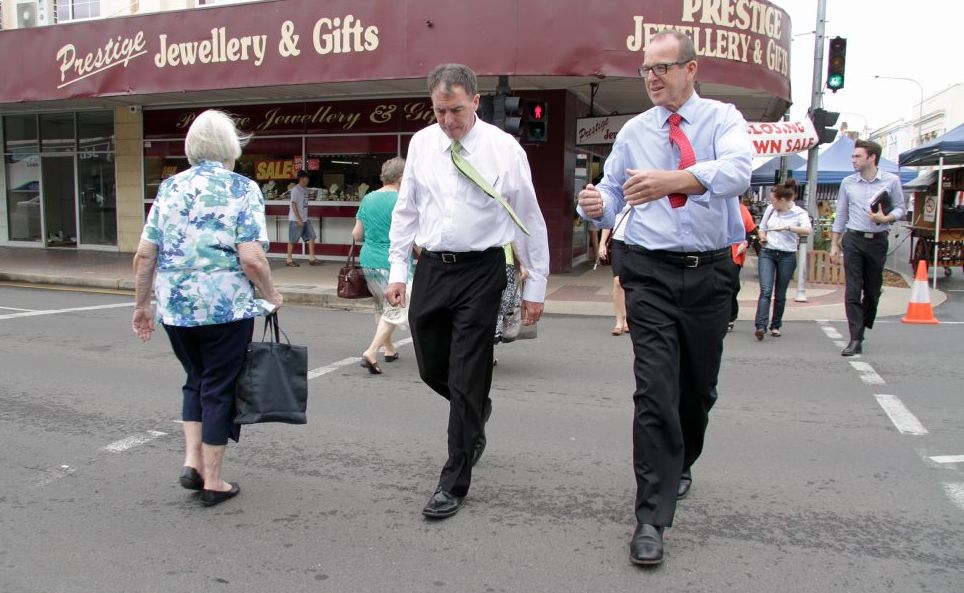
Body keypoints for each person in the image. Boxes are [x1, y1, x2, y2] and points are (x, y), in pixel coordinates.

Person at [577, 30, 751, 565]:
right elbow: (613, 193)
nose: (651, 78)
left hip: (710, 273)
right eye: (645, 69)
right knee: (655, 392)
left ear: (690, 69)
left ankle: (682, 460)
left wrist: (675, 180)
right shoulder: (634, 131)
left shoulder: (722, 119)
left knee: (697, 391)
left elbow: (738, 172)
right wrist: (594, 204)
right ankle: (650, 517)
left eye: (662, 67)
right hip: (648, 271)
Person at [386, 63, 550, 520]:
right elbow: (407, 209)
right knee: (430, 366)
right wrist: (397, 270)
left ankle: (454, 479)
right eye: (439, 111)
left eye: (456, 110)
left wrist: (536, 284)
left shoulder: (504, 149)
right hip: (433, 268)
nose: (447, 120)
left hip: (481, 271)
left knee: (465, 375)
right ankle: (475, 406)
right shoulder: (422, 144)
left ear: (476, 102)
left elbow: (528, 217)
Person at [131, 109, 283, 507]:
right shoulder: (242, 189)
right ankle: (213, 480)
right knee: (219, 385)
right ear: (231, 146)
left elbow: (145, 255)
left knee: (195, 378)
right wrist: (270, 294)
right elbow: (251, 258)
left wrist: (142, 305)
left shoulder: (169, 188)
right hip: (225, 308)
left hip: (176, 308)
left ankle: (192, 461)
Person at [829, 139, 905, 356]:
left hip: (877, 240)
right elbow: (841, 214)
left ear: (872, 158)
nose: (853, 160)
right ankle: (855, 338)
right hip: (853, 238)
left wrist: (886, 218)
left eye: (857, 156)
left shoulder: (891, 181)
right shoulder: (848, 183)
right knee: (853, 290)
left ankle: (863, 326)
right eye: (853, 156)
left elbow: (900, 208)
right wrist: (834, 243)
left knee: (872, 291)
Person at [352, 156, 407, 374]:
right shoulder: (401, 200)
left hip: (368, 259)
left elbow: (357, 234)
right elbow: (410, 236)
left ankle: (389, 349)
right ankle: (372, 351)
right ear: (401, 178)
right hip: (392, 263)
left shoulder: (368, 198)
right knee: (397, 307)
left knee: (382, 306)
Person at [753, 179, 810, 340]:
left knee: (780, 292)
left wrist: (788, 228)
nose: (771, 203)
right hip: (768, 252)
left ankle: (776, 324)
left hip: (787, 254)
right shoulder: (771, 210)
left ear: (783, 200)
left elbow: (807, 230)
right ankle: (761, 325)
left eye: (773, 200)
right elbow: (762, 228)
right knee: (766, 290)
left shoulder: (799, 213)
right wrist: (763, 237)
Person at [598, 204, 632, 335]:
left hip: (636, 242)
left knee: (632, 282)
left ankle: (628, 320)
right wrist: (602, 243)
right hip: (618, 242)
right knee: (618, 281)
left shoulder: (639, 194)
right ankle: (619, 322)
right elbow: (608, 220)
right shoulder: (617, 195)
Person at [728, 201, 757, 331]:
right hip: (713, 251)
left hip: (735, 252)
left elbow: (751, 231)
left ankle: (730, 317)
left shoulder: (740, 209)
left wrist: (745, 243)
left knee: (732, 286)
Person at [286, 170, 320, 267]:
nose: (308, 180)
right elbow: (293, 205)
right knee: (292, 240)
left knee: (312, 237)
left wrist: (303, 218)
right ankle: (289, 260)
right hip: (296, 219)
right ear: (301, 178)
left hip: (305, 219)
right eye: (306, 178)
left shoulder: (305, 189)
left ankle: (312, 258)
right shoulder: (295, 190)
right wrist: (299, 219)